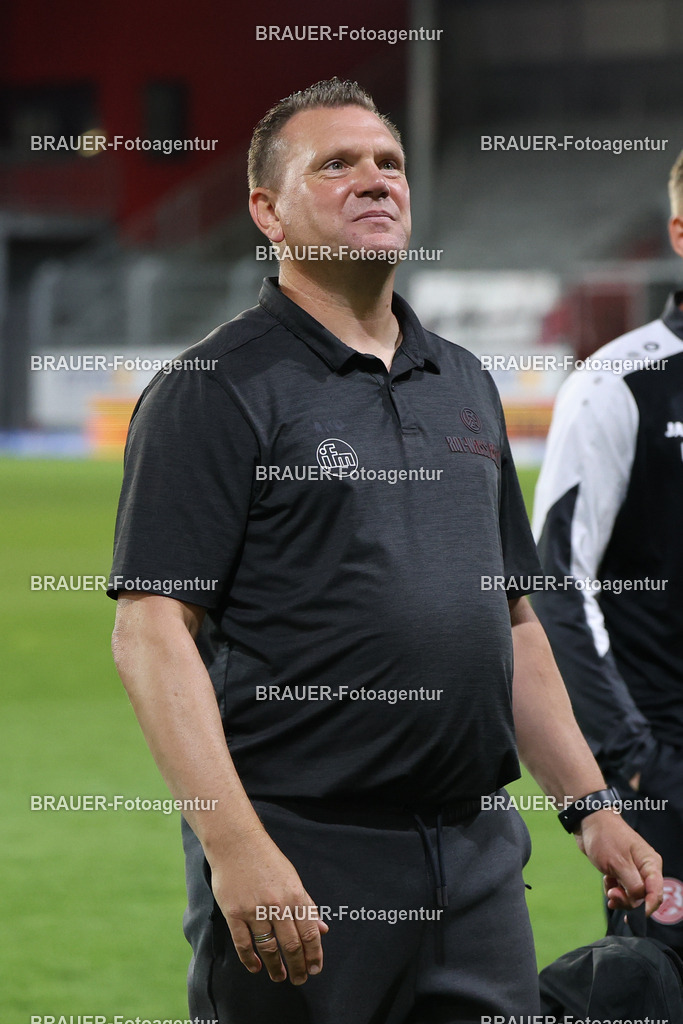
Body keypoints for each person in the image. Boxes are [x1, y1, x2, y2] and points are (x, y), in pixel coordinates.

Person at [109, 78, 662, 1024]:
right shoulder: (215, 387)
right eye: (336, 164)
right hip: (304, 851)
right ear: (266, 211)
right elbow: (152, 630)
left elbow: (515, 621)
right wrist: (235, 846)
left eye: (389, 163)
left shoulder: (464, 380)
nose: (375, 179)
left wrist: (589, 803)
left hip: (475, 855)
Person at [533, 150, 683, 955]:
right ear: (679, 233)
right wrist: (633, 762)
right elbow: (553, 587)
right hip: (668, 773)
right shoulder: (616, 384)